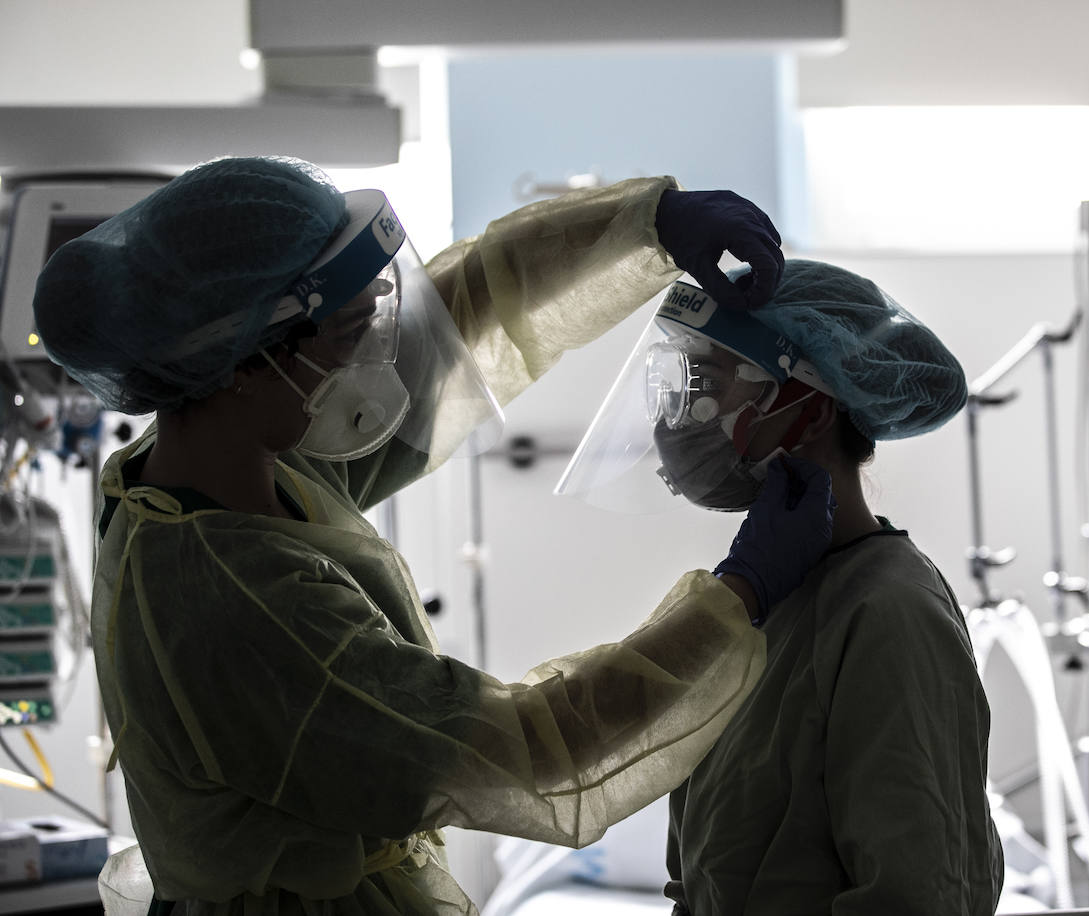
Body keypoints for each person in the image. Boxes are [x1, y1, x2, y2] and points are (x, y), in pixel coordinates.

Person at [31, 156, 836, 915]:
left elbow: (460, 317)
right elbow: (534, 755)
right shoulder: (232, 598)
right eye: (351, 337)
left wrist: (643, 224)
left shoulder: (213, 463)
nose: (378, 363)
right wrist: (737, 599)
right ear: (245, 362)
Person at [562, 259, 1004, 914]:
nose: (675, 419)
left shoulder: (889, 613)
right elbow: (700, 872)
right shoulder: (746, 604)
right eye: (675, 385)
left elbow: (918, 894)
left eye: (703, 384)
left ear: (811, 409)